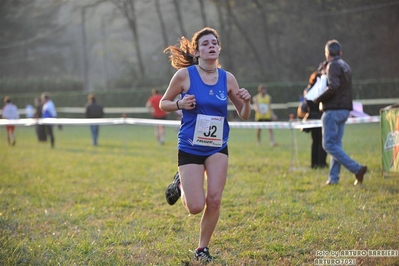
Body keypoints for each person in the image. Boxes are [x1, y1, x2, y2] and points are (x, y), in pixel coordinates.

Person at [159, 27, 251, 262]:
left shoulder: (227, 78)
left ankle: (202, 248)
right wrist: (180, 105)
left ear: (219, 49)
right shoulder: (185, 76)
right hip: (190, 145)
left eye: (214, 43)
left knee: (215, 199)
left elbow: (243, 113)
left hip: (218, 146)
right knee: (195, 207)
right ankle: (179, 183)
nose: (211, 46)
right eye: (205, 43)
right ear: (197, 51)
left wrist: (248, 102)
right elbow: (163, 103)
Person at [313, 39, 367, 185]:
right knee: (336, 145)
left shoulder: (333, 66)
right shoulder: (344, 65)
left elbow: (333, 87)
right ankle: (333, 178)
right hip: (344, 109)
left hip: (333, 110)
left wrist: (317, 98)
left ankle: (356, 169)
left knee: (329, 145)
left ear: (327, 53)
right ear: (340, 53)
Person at [300, 65, 328, 169]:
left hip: (311, 117)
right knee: (321, 141)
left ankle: (314, 163)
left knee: (315, 142)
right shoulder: (319, 90)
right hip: (319, 117)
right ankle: (321, 163)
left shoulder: (307, 90)